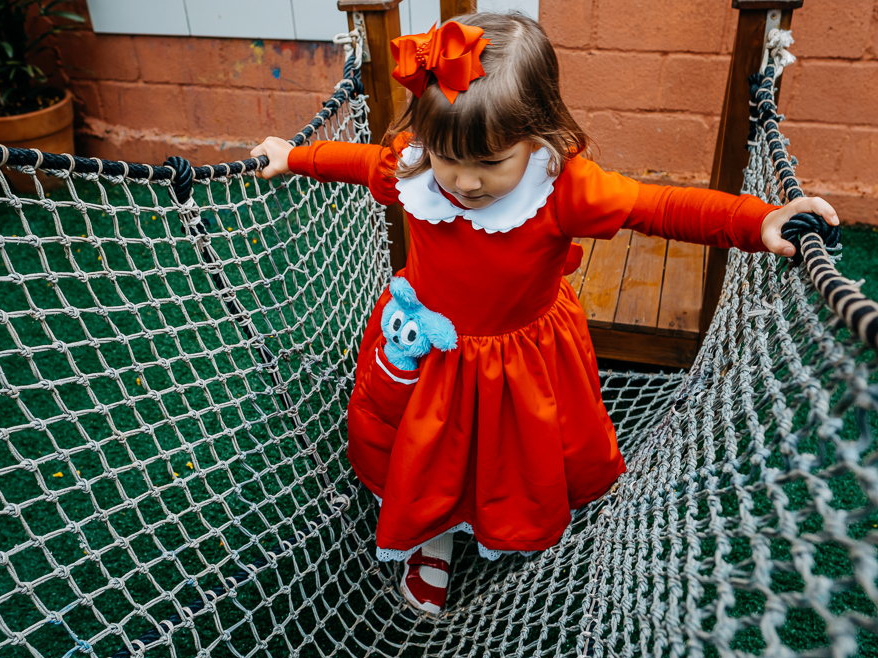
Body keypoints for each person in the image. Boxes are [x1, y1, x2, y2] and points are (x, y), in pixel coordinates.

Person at [250, 12, 839, 615]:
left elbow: (657, 206)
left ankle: (508, 516)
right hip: (435, 346)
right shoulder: (419, 166)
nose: (464, 182)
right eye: (451, 160)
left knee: (512, 448)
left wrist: (756, 220)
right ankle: (434, 533)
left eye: (489, 164)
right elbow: (361, 163)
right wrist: (295, 156)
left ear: (538, 137)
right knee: (431, 445)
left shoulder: (560, 186)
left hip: (519, 354)